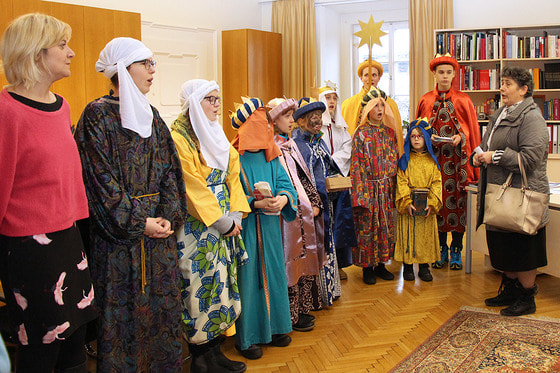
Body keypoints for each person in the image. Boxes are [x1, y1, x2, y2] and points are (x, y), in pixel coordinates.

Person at [74, 37, 188, 372]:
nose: (153, 70)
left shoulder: (152, 115)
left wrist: (167, 217)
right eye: (145, 63)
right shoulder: (96, 116)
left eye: (153, 63)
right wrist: (141, 222)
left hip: (158, 240)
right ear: (123, 70)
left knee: (163, 318)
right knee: (121, 320)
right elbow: (99, 182)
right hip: (119, 243)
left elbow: (169, 170)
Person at [0, 13, 96, 372]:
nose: (71, 52)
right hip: (29, 250)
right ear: (36, 54)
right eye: (62, 45)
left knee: (75, 348)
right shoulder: (6, 111)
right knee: (41, 353)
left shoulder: (61, 105)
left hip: (69, 240)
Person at [170, 79, 249, 373]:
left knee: (221, 284)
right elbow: (191, 187)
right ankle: (200, 358)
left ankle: (214, 352)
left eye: (218, 99)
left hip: (225, 223)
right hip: (197, 227)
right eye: (211, 99)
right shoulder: (180, 137)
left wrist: (237, 215)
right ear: (194, 102)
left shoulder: (215, 133)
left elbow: (233, 174)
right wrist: (222, 221)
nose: (217, 105)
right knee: (197, 285)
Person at [473, 66, 549, 317]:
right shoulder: (500, 113)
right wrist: (479, 156)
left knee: (523, 247)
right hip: (498, 193)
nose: (501, 88)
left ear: (524, 89)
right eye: (502, 83)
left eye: (507, 84)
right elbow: (487, 144)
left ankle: (527, 297)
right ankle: (511, 291)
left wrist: (493, 156)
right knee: (504, 245)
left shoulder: (532, 118)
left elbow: (531, 158)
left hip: (521, 196)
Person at [230, 98, 298, 360]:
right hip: (246, 228)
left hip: (270, 227)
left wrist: (282, 198)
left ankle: (277, 328)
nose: (268, 126)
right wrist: (254, 202)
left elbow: (286, 185)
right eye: (262, 122)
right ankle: (247, 338)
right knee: (249, 281)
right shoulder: (233, 157)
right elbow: (229, 195)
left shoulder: (272, 154)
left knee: (274, 274)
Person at [416, 54, 480, 270]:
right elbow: (418, 129)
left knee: (458, 206)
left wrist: (461, 137)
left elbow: (472, 130)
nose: (444, 76)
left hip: (458, 162)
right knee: (438, 204)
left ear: (454, 74)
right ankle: (441, 248)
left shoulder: (464, 100)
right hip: (435, 163)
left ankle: (456, 251)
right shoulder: (425, 100)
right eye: (440, 72)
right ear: (434, 74)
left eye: (448, 72)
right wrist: (428, 137)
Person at [291, 98, 356, 303]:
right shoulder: (298, 145)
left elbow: (328, 167)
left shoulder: (319, 142)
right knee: (314, 245)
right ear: (301, 121)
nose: (318, 121)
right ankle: (316, 295)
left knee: (327, 244)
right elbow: (303, 176)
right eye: (312, 118)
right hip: (312, 207)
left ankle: (329, 290)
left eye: (319, 117)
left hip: (326, 202)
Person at [269, 97, 325, 332]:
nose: (291, 121)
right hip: (285, 216)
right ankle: (289, 314)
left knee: (303, 257)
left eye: (292, 115)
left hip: (302, 213)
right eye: (286, 116)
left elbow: (304, 177)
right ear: (273, 121)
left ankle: (302, 308)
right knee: (289, 260)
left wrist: (314, 202)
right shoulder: (271, 148)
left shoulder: (290, 145)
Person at [350, 88, 403, 285]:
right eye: (376, 106)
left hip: (386, 189)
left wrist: (395, 188)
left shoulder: (390, 133)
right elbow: (356, 165)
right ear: (367, 109)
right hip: (368, 189)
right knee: (367, 228)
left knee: (385, 227)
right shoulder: (361, 134)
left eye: (382, 105)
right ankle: (367, 268)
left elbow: (395, 162)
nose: (380, 109)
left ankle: (381, 264)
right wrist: (361, 194)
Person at [395, 118, 442, 282]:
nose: (416, 139)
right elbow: (401, 182)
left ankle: (424, 267)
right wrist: (407, 201)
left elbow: (437, 183)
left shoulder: (432, 162)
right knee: (409, 235)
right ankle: (408, 267)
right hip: (410, 207)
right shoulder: (405, 161)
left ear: (426, 139)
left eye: (420, 136)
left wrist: (432, 202)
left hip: (426, 205)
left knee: (425, 236)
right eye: (413, 136)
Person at [341, 59, 402, 135]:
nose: (370, 79)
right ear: (361, 78)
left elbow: (396, 135)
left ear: (379, 78)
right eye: (366, 75)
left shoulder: (391, 104)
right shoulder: (348, 104)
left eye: (374, 75)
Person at [318, 82, 352, 177]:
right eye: (328, 98)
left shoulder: (340, 127)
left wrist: (334, 161)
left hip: (338, 174)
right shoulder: (316, 128)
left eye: (334, 98)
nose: (332, 101)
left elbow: (347, 148)